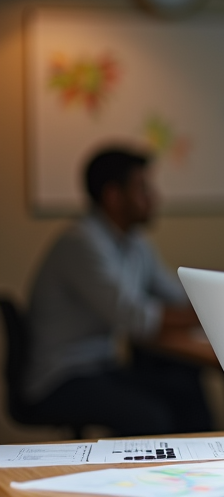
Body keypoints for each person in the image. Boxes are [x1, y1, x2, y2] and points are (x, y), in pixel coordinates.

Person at [25, 147, 211, 436]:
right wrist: (209, 316)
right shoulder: (81, 242)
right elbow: (133, 317)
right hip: (63, 376)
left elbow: (174, 294)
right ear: (113, 196)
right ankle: (142, 480)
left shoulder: (134, 243)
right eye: (143, 188)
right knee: (150, 416)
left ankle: (206, 473)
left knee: (185, 389)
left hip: (102, 367)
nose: (154, 197)